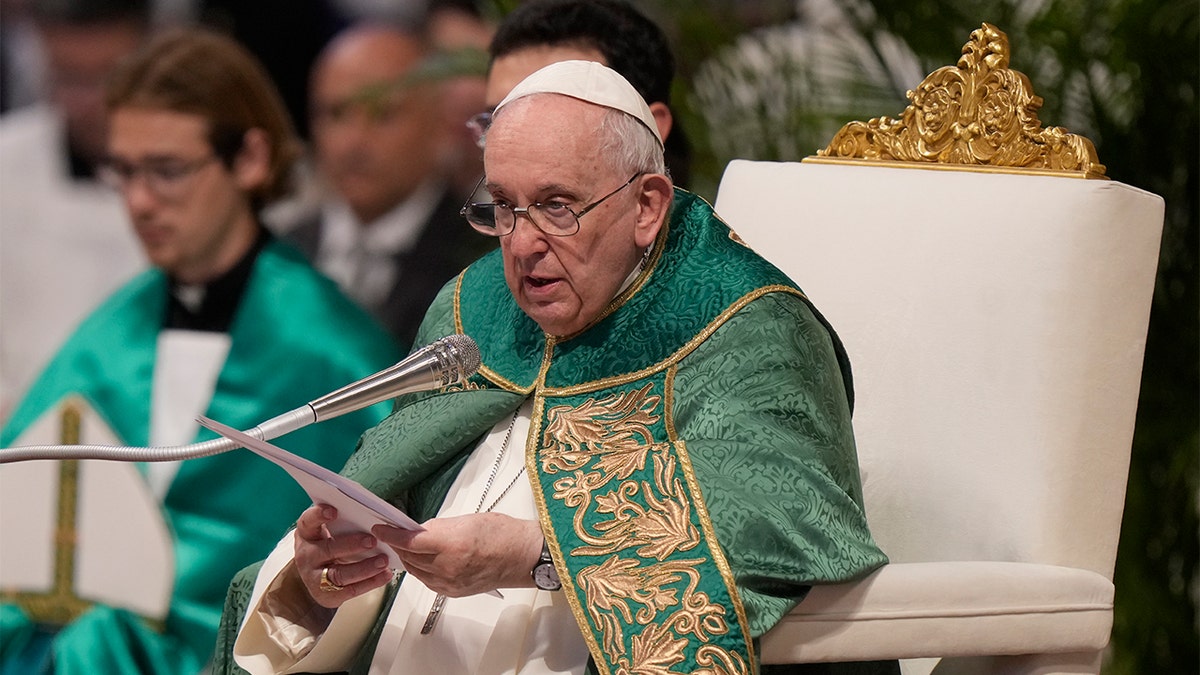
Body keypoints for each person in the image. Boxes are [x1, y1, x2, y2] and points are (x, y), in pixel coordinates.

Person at [220, 60, 887, 675]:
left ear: (648, 206)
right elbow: (387, 512)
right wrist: (325, 582)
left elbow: (784, 518)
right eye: (502, 207)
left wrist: (536, 553)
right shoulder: (470, 308)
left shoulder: (744, 326)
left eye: (557, 206)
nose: (522, 243)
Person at [0, 28, 401, 674]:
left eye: (166, 170)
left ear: (249, 158)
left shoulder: (334, 354)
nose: (137, 202)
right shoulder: (107, 336)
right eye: (122, 170)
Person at [280, 23, 496, 349]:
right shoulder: (282, 255)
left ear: (439, 123)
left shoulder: (482, 260)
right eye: (336, 114)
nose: (354, 142)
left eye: (384, 115)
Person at [0, 0, 151, 420]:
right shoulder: (6, 165)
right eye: (69, 78)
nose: (91, 102)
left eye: (110, 76)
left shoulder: (199, 174)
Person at [482, 0, 692, 188]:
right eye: (496, 121)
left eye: (553, 120)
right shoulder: (469, 225)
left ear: (650, 129)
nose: (512, 142)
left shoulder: (715, 228)